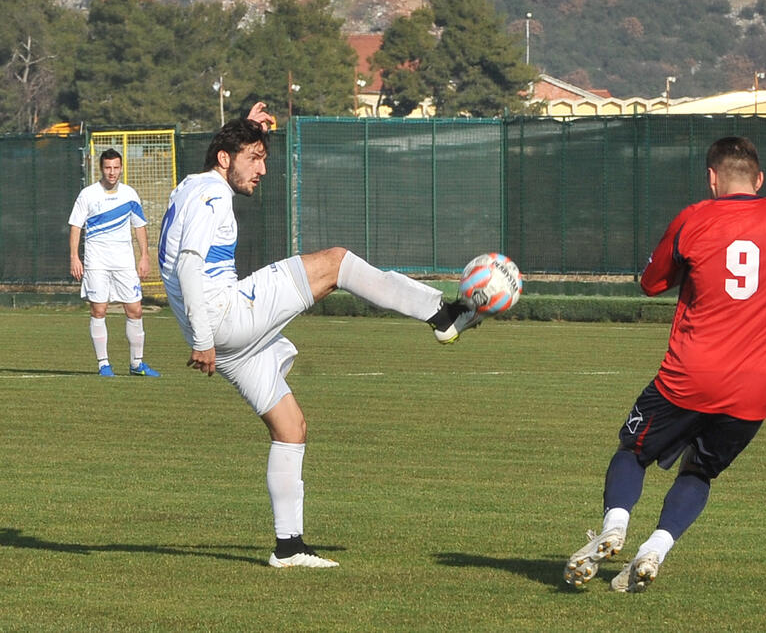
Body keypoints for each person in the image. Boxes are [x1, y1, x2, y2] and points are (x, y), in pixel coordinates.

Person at [157, 102, 479, 569]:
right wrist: (203, 338)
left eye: (263, 157)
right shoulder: (212, 195)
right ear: (224, 159)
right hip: (224, 316)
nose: (263, 169)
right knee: (336, 262)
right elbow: (188, 262)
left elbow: (189, 245)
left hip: (227, 339)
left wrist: (248, 128)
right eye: (254, 157)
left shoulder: (190, 186)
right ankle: (441, 313)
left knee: (291, 428)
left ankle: (289, 547)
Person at [563, 136, 766, 593]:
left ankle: (615, 524)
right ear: (760, 179)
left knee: (633, 450)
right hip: (756, 389)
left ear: (712, 178)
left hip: (688, 377)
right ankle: (655, 549)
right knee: (700, 471)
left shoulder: (694, 218)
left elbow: (651, 284)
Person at [68, 148, 160, 378]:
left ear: (121, 168)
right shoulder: (88, 194)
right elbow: (76, 226)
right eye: (108, 168)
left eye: (116, 167)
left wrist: (145, 256)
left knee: (135, 310)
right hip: (96, 262)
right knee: (99, 309)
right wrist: (74, 257)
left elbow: (139, 226)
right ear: (101, 169)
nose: (112, 172)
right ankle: (103, 364)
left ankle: (136, 363)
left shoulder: (130, 194)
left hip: (124, 263)